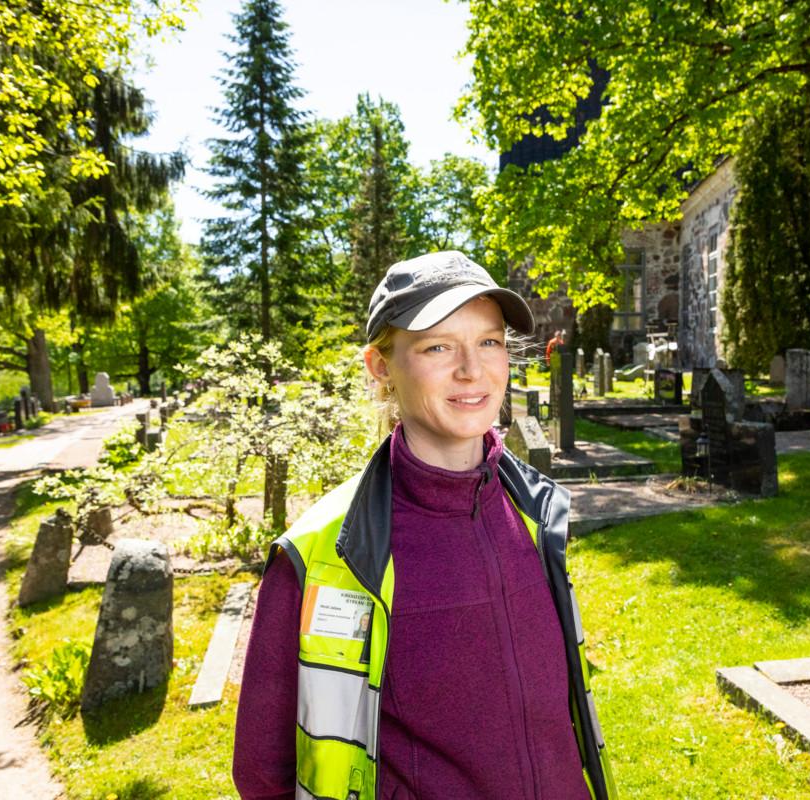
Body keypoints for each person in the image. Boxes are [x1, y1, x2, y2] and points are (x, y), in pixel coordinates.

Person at [233, 251, 616, 800]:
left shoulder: (535, 514)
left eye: (489, 341)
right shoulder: (323, 555)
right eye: (438, 346)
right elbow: (264, 773)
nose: (472, 369)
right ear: (380, 366)